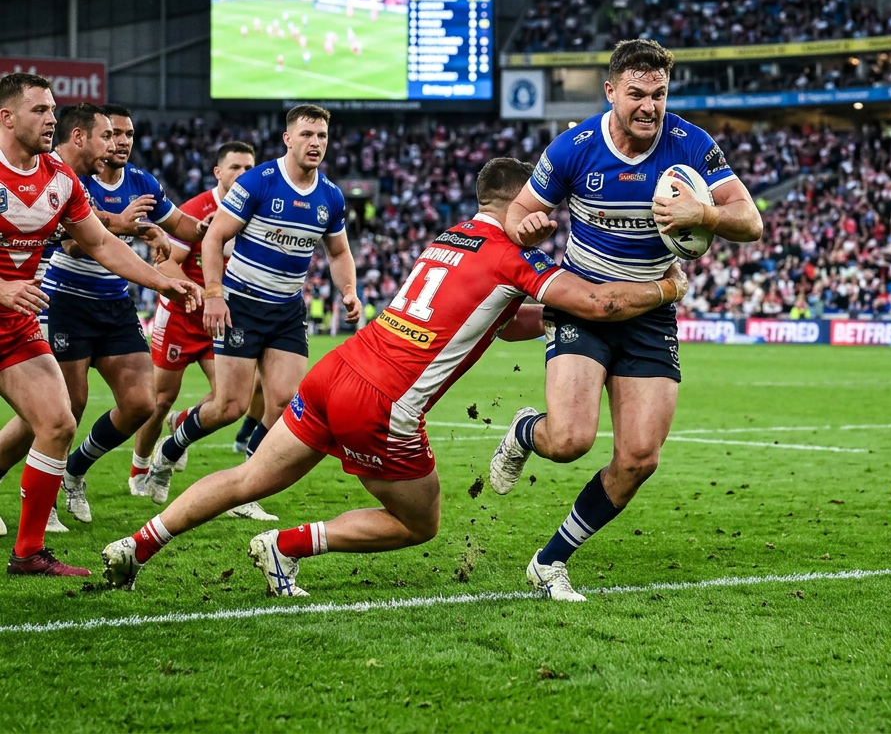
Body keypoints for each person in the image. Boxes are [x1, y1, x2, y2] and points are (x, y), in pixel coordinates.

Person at [100, 158, 690, 595]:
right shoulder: (514, 256)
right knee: (420, 522)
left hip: (338, 370)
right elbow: (598, 306)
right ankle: (287, 545)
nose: (548, 219)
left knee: (249, 476)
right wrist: (666, 288)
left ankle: (137, 543)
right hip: (382, 404)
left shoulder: (452, 236)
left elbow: (501, 323)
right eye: (542, 208)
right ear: (521, 205)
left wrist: (550, 322)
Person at [489, 39, 763, 600]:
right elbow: (519, 213)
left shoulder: (692, 144)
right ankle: (524, 431)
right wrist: (529, 231)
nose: (649, 106)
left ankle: (550, 561)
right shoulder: (574, 148)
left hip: (651, 314)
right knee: (568, 440)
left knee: (639, 457)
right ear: (610, 90)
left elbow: (750, 220)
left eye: (659, 94)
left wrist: (703, 212)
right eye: (636, 93)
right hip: (582, 307)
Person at [0, 73, 200, 577]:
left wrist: (161, 282)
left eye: (52, 110)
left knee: (58, 421)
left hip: (16, 327)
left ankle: (28, 552)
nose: (51, 119)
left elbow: (103, 243)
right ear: (6, 118)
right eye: (40, 110)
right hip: (25, 303)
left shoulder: (59, 180)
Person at [142, 105, 361, 516]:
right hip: (241, 303)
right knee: (230, 407)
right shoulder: (259, 181)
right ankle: (171, 447)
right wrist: (213, 294)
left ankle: (248, 488)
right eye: (308, 134)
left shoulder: (330, 196)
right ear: (288, 139)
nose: (316, 143)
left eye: (322, 137)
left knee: (285, 401)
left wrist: (348, 289)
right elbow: (213, 239)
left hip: (286, 310)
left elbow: (339, 252)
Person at [42, 104, 207, 524]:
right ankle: (43, 502)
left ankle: (75, 469)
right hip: (68, 299)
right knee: (69, 406)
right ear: (91, 138)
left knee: (140, 404)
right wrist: (125, 225)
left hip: (115, 302)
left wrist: (233, 223)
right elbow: (74, 245)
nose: (121, 142)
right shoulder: (72, 179)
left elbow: (186, 227)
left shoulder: (141, 182)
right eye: (112, 134)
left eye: (128, 135)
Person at [131, 141, 257, 495]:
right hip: (180, 317)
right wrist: (195, 291)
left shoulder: (256, 211)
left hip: (217, 319)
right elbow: (165, 261)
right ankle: (139, 468)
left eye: (250, 168)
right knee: (159, 401)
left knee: (229, 401)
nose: (245, 175)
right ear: (219, 172)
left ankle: (182, 425)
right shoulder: (199, 209)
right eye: (236, 168)